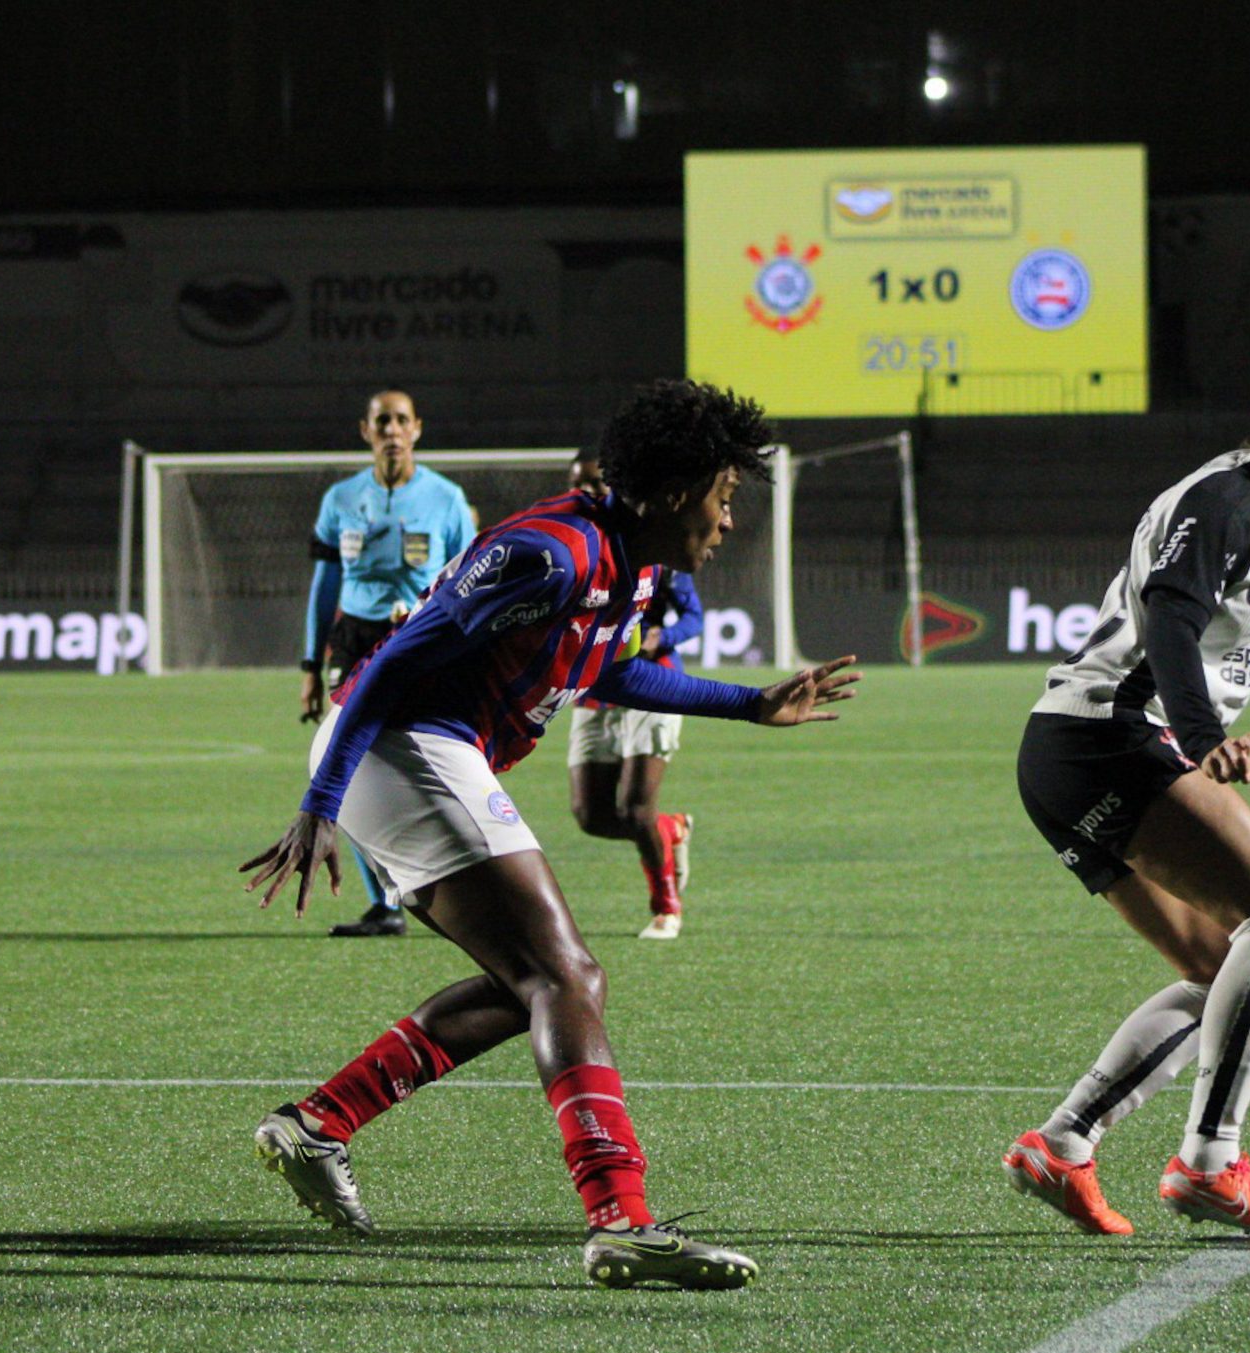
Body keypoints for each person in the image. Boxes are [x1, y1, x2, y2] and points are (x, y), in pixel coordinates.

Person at [240, 379, 859, 1290]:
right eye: (725, 498)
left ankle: (318, 1122)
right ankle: (620, 1219)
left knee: (542, 980)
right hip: (396, 744)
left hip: (434, 752)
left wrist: (748, 703)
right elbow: (397, 657)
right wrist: (320, 799)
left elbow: (601, 672)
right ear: (680, 489)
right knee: (565, 975)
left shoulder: (633, 564)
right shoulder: (550, 553)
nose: (729, 521)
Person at [1002, 298, 1250, 1237]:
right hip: (1110, 737)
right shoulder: (1227, 501)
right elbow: (1170, 612)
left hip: (1067, 754)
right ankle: (1212, 1160)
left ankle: (1066, 1140)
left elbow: (1234, 621)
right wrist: (1203, 731)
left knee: (1220, 966)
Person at [299, 389, 476, 937]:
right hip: (354, 639)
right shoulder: (340, 499)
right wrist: (310, 662)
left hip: (418, 636)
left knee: (426, 758)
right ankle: (386, 903)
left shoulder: (447, 500)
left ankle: (450, 879)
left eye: (401, 420)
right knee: (340, 759)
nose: (392, 430)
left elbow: (472, 580)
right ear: (366, 430)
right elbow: (324, 583)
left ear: (417, 428)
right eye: (383, 421)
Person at [562, 451, 706, 940]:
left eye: (599, 484)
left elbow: (694, 619)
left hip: (652, 683)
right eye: (580, 485)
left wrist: (659, 638)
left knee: (635, 807)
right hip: (595, 689)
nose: (590, 494)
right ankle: (669, 831)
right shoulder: (567, 550)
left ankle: (667, 906)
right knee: (590, 815)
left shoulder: (655, 550)